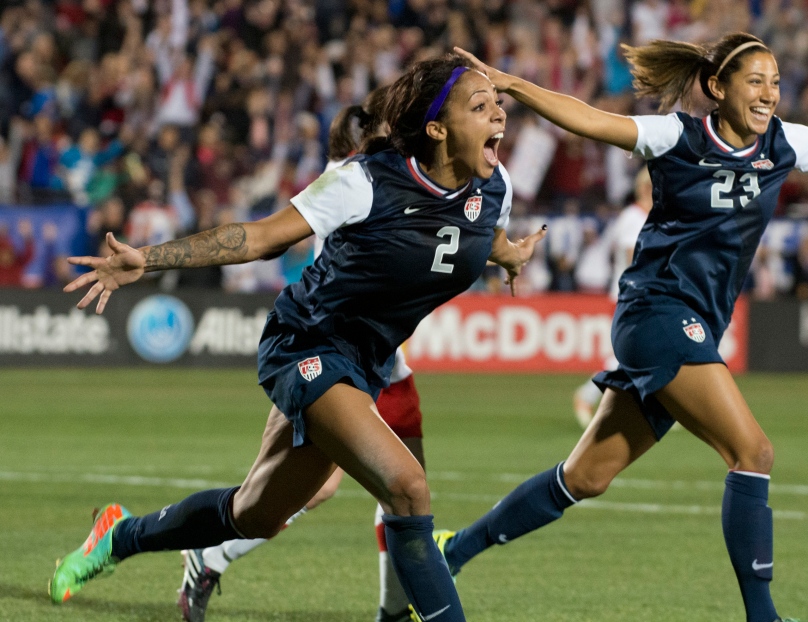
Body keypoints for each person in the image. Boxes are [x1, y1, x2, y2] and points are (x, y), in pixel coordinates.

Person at [441, 34, 808, 622]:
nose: (769, 94)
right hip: (658, 312)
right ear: (718, 88)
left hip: (693, 323)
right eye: (756, 81)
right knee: (752, 451)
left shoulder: (784, 144)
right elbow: (590, 120)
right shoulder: (678, 137)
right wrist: (514, 86)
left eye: (775, 82)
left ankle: (451, 551)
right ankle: (763, 616)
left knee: (585, 477)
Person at [50, 55, 546, 622]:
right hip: (306, 343)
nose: (500, 116)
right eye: (480, 107)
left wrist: (511, 255)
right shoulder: (365, 182)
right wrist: (151, 259)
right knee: (408, 487)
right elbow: (261, 237)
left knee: (254, 514)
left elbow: (484, 236)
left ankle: (117, 537)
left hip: (365, 363)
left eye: (497, 104)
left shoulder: (495, 188)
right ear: (437, 129)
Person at [177, 90, 429, 622]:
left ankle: (392, 611)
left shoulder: (394, 175)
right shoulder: (356, 178)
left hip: (388, 366)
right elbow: (278, 241)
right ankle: (209, 553)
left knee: (403, 497)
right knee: (320, 488)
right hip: (335, 354)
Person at [572, 166, 652, 427]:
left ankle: (660, 408)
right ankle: (586, 395)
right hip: (632, 294)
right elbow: (631, 256)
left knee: (650, 352)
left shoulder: (645, 216)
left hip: (641, 293)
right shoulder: (633, 217)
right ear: (645, 189)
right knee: (627, 356)